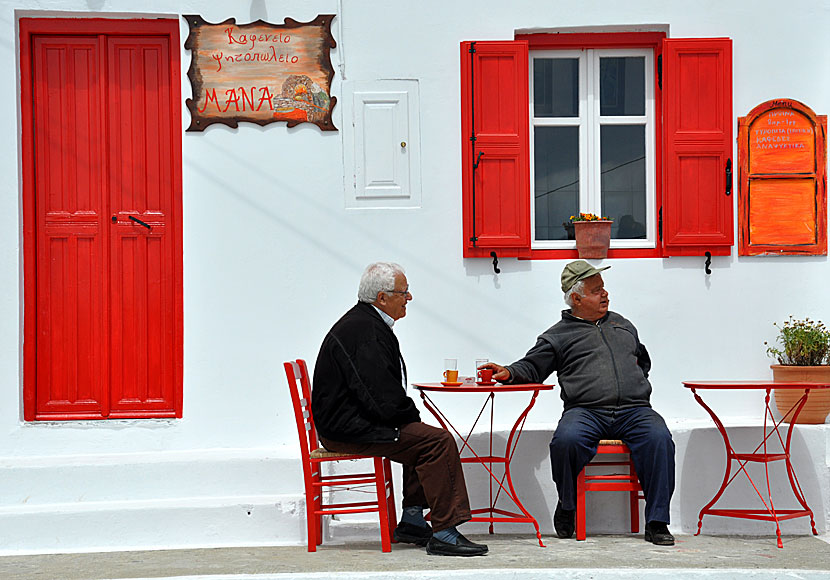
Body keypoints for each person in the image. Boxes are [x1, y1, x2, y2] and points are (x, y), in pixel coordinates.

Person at [480, 260, 676, 546]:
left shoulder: (623, 324)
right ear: (576, 298)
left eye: (604, 288)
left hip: (635, 410)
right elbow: (532, 366)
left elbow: (642, 361)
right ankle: (568, 505)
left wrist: (631, 385)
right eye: (597, 291)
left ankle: (657, 522)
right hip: (586, 411)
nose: (605, 294)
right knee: (566, 440)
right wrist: (509, 372)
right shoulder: (557, 336)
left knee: (659, 438)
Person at [312, 262, 488, 557]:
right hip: (348, 429)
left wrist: (408, 418)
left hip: (350, 422)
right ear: (382, 298)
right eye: (403, 293)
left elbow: (380, 394)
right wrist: (408, 417)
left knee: (420, 437)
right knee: (437, 442)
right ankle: (444, 532)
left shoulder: (365, 323)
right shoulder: (364, 331)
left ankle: (412, 521)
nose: (408, 299)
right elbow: (379, 396)